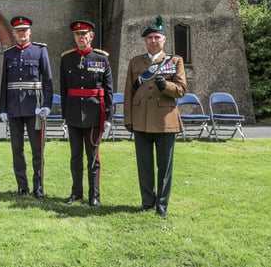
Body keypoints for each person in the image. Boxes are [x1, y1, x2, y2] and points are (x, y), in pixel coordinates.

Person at [123, 15, 187, 218]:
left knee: (165, 166)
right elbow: (128, 93)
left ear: (164, 40)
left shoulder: (175, 61)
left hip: (165, 120)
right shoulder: (135, 62)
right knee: (144, 165)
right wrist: (128, 119)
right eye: (150, 38)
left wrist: (166, 86)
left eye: (157, 37)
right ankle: (147, 201)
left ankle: (162, 204)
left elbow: (182, 90)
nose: (153, 41)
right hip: (141, 120)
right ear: (144, 41)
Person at [60, 20, 113, 207]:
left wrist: (108, 117)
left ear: (91, 36)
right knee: (75, 157)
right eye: (77, 35)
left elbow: (108, 91)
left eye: (84, 34)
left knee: (93, 158)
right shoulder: (67, 59)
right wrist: (64, 116)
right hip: (74, 115)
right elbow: (64, 88)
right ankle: (76, 193)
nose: (81, 37)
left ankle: (95, 195)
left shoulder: (102, 59)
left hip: (93, 115)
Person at [0, 16, 53, 199]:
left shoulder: (40, 51)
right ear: (14, 33)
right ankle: (22, 186)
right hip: (14, 109)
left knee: (37, 149)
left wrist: (47, 104)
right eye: (18, 31)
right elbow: (4, 84)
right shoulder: (8, 54)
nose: (21, 33)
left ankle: (38, 187)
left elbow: (47, 80)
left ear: (29, 32)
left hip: (35, 108)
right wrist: (3, 109)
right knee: (17, 149)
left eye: (24, 30)